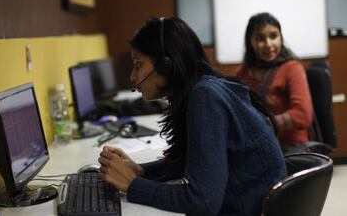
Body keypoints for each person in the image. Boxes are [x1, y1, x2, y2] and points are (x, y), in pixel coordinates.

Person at [98, 17, 286, 215]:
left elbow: (202, 202)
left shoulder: (204, 97)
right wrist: (141, 171)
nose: (132, 76)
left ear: (165, 64)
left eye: (138, 64)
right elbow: (196, 162)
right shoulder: (205, 88)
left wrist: (132, 185)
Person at [236, 12, 314, 149]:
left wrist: (265, 124)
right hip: (256, 145)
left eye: (273, 36)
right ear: (250, 41)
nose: (268, 44)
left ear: (281, 38)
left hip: (290, 147)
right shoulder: (242, 73)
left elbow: (303, 114)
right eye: (260, 38)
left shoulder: (292, 68)